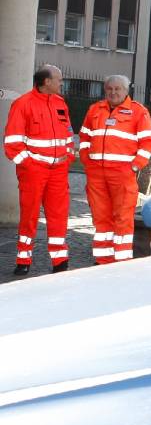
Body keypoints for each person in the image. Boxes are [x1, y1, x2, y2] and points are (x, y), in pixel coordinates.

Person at [3, 64, 75, 275]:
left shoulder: (60, 103)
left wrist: (68, 156)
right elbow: (12, 143)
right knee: (29, 215)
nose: (61, 83)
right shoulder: (22, 104)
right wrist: (29, 165)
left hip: (58, 170)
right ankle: (23, 259)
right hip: (34, 171)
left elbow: (68, 134)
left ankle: (60, 260)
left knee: (58, 215)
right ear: (47, 82)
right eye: (59, 79)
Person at [79, 75, 151, 264]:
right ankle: (102, 260)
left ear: (126, 90)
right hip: (96, 173)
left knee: (123, 217)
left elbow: (147, 143)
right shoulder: (95, 109)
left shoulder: (138, 112)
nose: (113, 92)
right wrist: (87, 162)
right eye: (109, 89)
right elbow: (84, 138)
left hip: (122, 173)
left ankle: (121, 261)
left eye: (117, 89)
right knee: (100, 217)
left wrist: (136, 165)